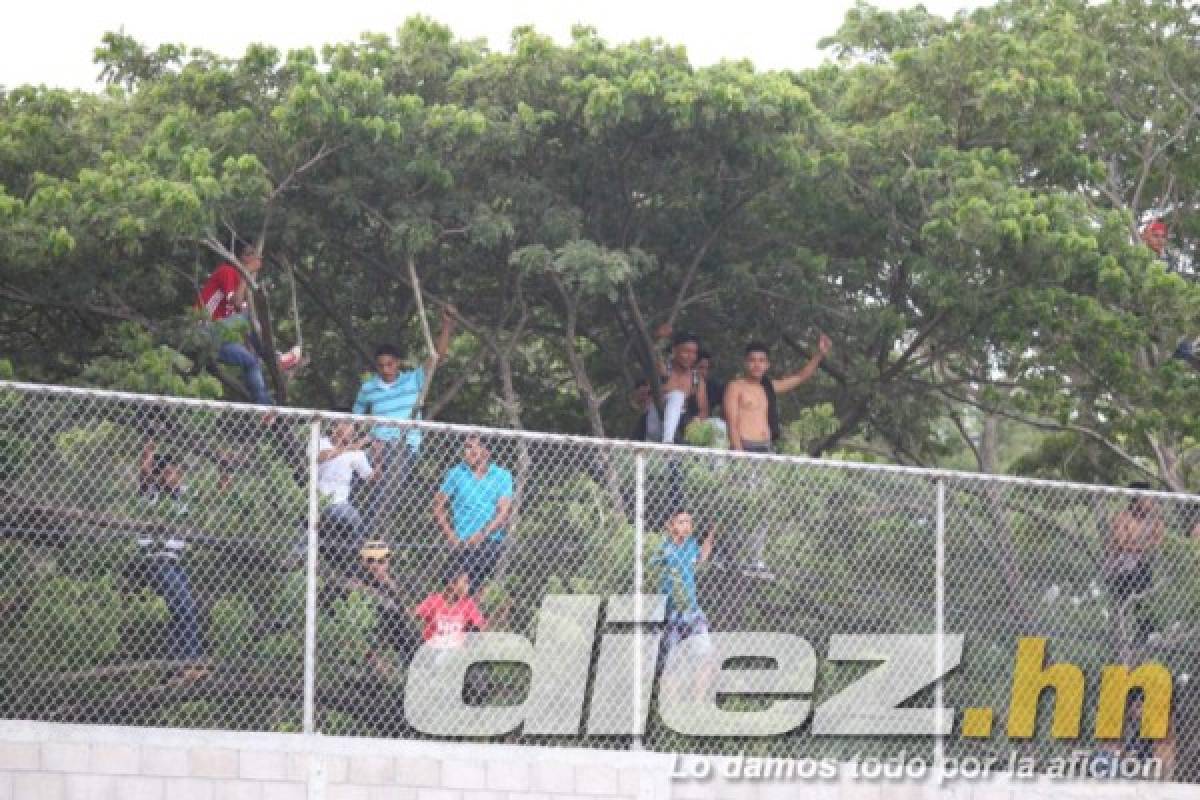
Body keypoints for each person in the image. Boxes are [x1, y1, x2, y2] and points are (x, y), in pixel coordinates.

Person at [354, 305, 456, 533]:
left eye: (390, 364)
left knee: (390, 486)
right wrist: (359, 441)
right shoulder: (369, 388)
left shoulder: (413, 380)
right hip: (376, 444)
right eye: (380, 366)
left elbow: (436, 358)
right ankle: (334, 525)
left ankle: (365, 534)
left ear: (398, 363)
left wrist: (446, 327)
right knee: (344, 477)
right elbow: (354, 418)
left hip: (403, 444)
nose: (385, 369)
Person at [196, 241, 302, 406]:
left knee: (250, 360)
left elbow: (244, 320)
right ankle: (276, 358)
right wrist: (248, 273)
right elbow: (238, 303)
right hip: (205, 330)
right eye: (249, 254)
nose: (254, 258)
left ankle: (265, 406)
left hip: (218, 340)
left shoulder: (239, 281)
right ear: (239, 258)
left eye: (254, 254)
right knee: (247, 315)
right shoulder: (227, 271)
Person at [134, 449, 207, 686]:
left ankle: (175, 670)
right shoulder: (151, 494)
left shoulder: (185, 495)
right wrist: (150, 443)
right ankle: (189, 664)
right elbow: (144, 473)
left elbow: (216, 498)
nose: (174, 476)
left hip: (175, 560)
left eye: (176, 472)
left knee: (182, 611)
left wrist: (226, 470)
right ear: (160, 476)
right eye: (168, 473)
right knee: (185, 608)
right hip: (156, 560)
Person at [433, 434, 513, 597]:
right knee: (462, 588)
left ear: (486, 451)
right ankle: (475, 617)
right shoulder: (455, 473)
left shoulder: (502, 476)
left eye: (472, 447)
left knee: (459, 582)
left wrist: (482, 534)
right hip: (461, 542)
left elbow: (504, 512)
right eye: (466, 447)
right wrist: (451, 536)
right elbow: (437, 506)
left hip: (489, 541)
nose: (467, 452)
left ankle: (473, 609)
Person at [724, 336, 831, 453]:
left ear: (767, 365)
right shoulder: (735, 387)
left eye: (761, 361)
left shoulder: (769, 386)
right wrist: (739, 453)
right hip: (745, 446)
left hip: (766, 446)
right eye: (752, 360)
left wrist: (819, 355)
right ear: (745, 363)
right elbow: (732, 423)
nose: (757, 365)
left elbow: (800, 377)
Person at [652, 509, 716, 702]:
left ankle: (697, 705)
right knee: (669, 663)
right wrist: (670, 542)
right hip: (669, 612)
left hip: (691, 610)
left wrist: (709, 538)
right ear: (671, 526)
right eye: (681, 522)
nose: (686, 526)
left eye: (689, 522)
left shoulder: (691, 545)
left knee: (706, 657)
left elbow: (701, 558)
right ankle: (673, 705)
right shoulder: (665, 547)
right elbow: (656, 563)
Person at [1104, 483, 1164, 645]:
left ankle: (1146, 630)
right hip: (1120, 567)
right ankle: (1137, 631)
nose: (1152, 502)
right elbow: (1122, 544)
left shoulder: (1154, 520)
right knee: (1135, 575)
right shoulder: (1122, 518)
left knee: (1145, 581)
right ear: (1136, 501)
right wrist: (1143, 546)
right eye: (1148, 499)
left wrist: (1138, 546)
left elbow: (1159, 541)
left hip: (1141, 566)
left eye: (1153, 499)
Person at [350, 540, 417, 676]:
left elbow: (409, 611)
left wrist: (387, 582)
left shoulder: (394, 581)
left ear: (387, 562)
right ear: (363, 561)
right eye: (370, 560)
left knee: (397, 618)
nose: (375, 565)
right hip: (370, 632)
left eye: (381, 561)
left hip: (396, 634)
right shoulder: (356, 579)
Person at [317, 421, 375, 560]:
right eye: (346, 424)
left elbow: (370, 476)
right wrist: (354, 446)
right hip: (319, 500)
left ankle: (357, 563)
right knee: (352, 518)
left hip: (341, 503)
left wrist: (378, 455)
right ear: (333, 426)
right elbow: (321, 456)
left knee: (355, 521)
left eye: (352, 427)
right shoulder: (320, 442)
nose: (351, 430)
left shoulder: (357, 453)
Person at [643, 325, 709, 444]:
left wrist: (696, 423)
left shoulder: (696, 379)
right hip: (656, 424)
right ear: (674, 350)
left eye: (693, 353)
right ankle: (667, 442)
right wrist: (657, 338)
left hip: (681, 428)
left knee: (718, 425)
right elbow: (650, 353)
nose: (690, 356)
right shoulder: (663, 368)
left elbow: (703, 410)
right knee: (677, 396)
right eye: (686, 351)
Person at [413, 557, 487, 651]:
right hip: (433, 649)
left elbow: (480, 626)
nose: (468, 586)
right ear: (452, 584)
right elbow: (415, 615)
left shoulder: (467, 603)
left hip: (456, 651)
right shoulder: (433, 601)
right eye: (465, 582)